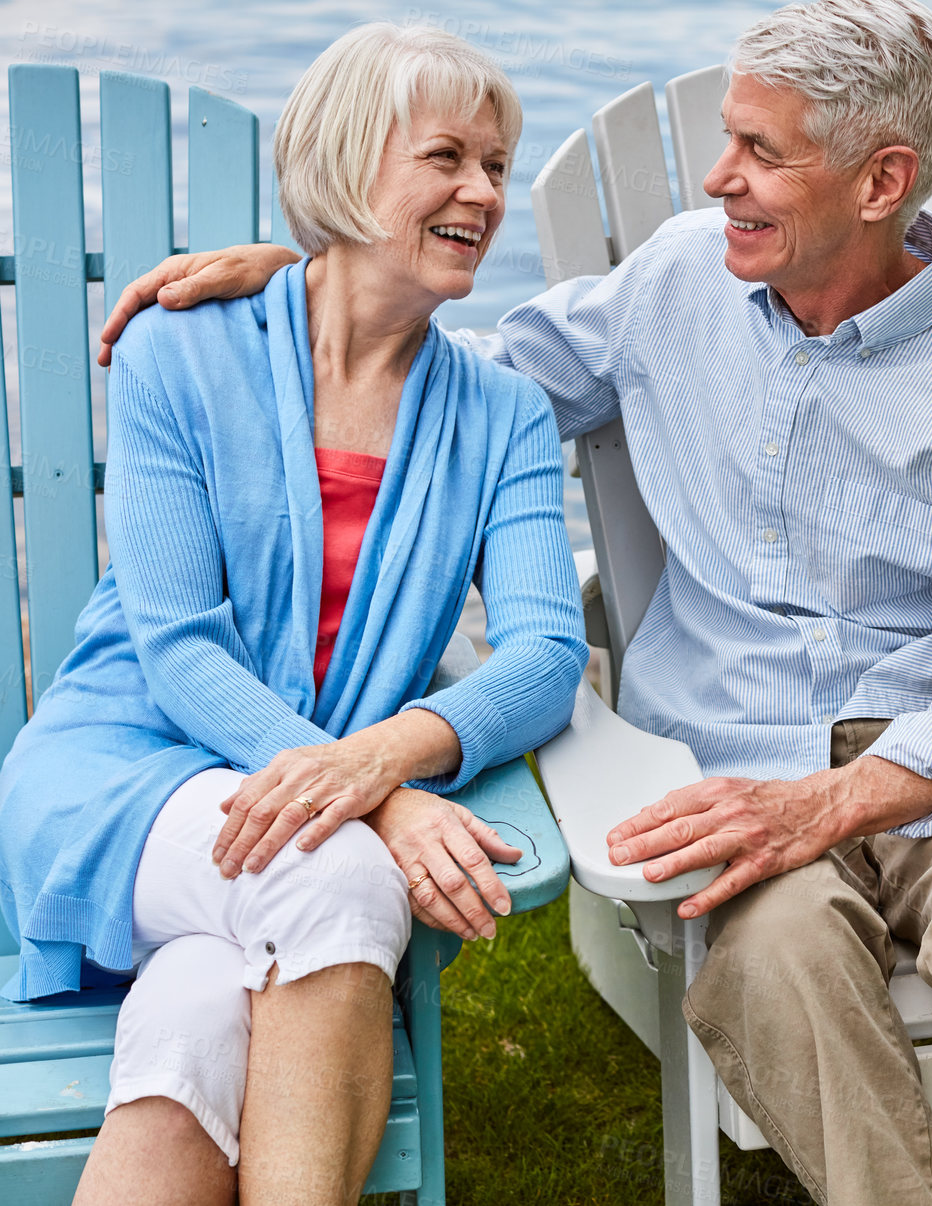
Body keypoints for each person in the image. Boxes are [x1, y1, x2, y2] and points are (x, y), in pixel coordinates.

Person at [98, 3, 932, 1201]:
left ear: (882, 182)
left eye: (763, 153)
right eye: (726, 141)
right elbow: (449, 383)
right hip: (724, 767)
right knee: (784, 963)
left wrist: (831, 802)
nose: (722, 179)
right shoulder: (676, 282)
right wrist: (306, 274)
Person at [0, 22, 587, 1206]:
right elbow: (177, 647)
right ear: (348, 161)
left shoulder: (506, 415)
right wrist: (377, 805)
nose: (483, 191)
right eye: (447, 158)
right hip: (128, 774)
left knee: (196, 1020)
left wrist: (378, 765)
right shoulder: (181, 352)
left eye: (497, 164)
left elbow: (545, 657)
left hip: (294, 819)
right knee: (342, 883)